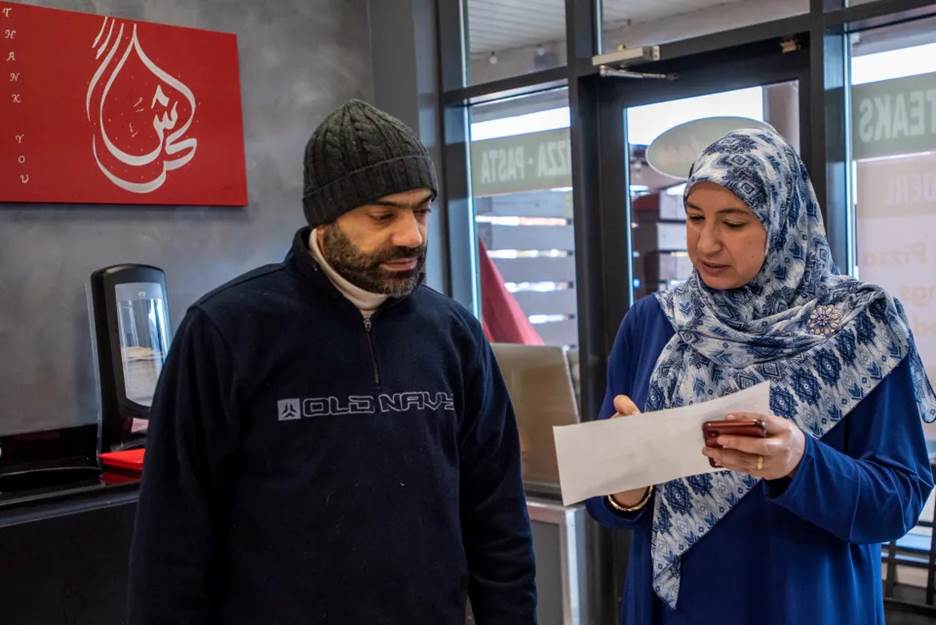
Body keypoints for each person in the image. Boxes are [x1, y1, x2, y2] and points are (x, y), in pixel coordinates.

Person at [128, 99, 537, 625]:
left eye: (422, 210)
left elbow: (497, 519)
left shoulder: (453, 334)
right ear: (327, 216)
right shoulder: (227, 332)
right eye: (383, 215)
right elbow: (172, 537)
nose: (412, 234)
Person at [587, 127, 936, 625]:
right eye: (694, 218)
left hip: (808, 604)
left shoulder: (859, 329)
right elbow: (609, 506)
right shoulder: (654, 322)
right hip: (677, 608)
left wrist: (801, 461)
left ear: (783, 222)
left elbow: (897, 502)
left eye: (733, 222)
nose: (706, 243)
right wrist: (625, 483)